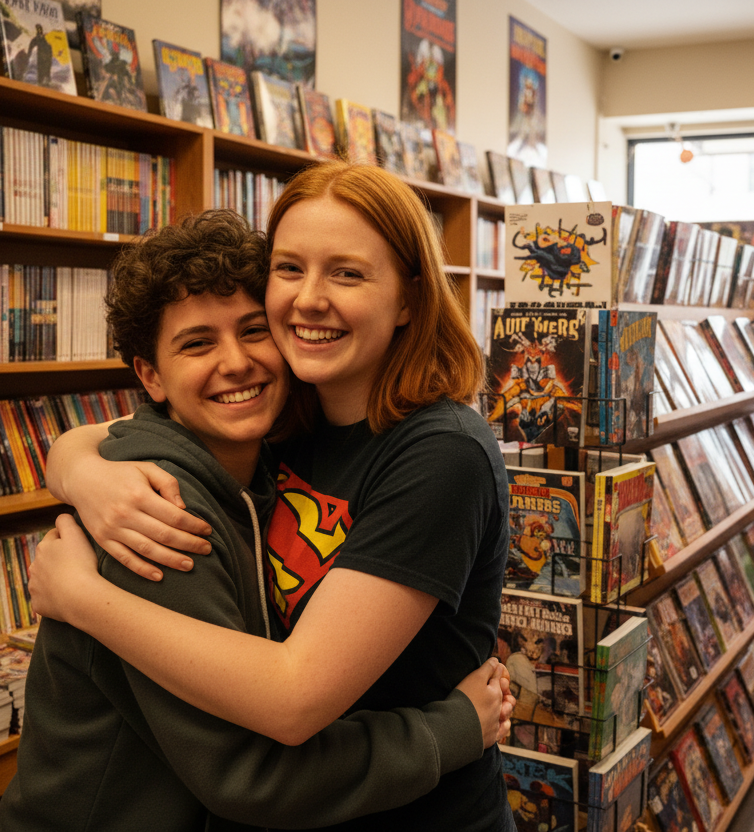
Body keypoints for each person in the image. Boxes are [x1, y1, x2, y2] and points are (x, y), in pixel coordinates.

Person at [32, 162, 516, 831]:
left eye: (347, 273)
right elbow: (116, 434)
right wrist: (76, 464)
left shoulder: (440, 452)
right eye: (290, 268)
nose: (310, 299)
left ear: (407, 298)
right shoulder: (286, 416)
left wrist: (85, 600)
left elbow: (294, 695)